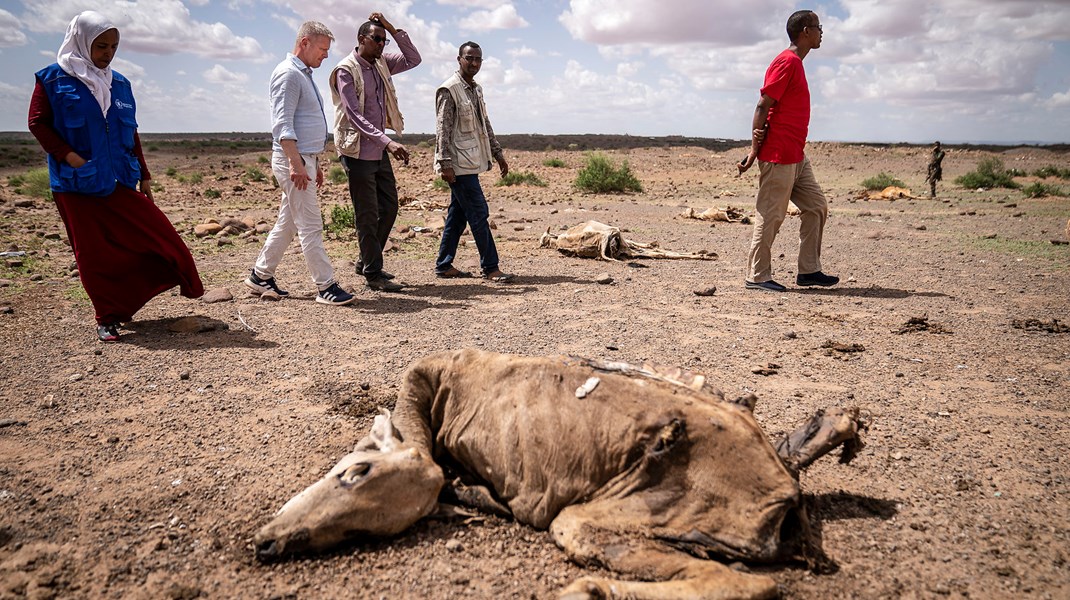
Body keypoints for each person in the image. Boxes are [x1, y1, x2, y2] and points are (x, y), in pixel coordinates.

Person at [28, 11, 204, 343]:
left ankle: (155, 288)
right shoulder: (52, 80)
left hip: (120, 177)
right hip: (76, 183)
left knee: (160, 236)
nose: (108, 53)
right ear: (81, 42)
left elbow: (131, 132)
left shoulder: (120, 83)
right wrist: (70, 156)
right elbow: (37, 122)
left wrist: (145, 175)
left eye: (114, 46)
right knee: (93, 253)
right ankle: (107, 317)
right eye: (101, 46)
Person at [246, 21, 355, 306]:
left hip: (303, 158)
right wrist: (296, 163)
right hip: (293, 160)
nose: (326, 55)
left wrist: (313, 162)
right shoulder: (288, 75)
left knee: (288, 222)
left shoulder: (301, 74)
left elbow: (301, 122)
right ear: (304, 43)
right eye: (322, 49)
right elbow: (282, 124)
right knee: (310, 224)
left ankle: (260, 275)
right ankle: (326, 285)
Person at [738, 10, 838, 292]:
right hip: (778, 154)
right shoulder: (787, 62)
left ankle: (809, 271)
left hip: (796, 154)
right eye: (819, 27)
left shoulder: (797, 63)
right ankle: (757, 276)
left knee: (816, 207)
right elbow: (763, 105)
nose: (821, 32)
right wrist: (755, 150)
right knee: (770, 215)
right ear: (805, 31)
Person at [328, 12, 420, 293]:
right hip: (357, 150)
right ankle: (372, 273)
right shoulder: (346, 70)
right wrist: (388, 142)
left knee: (389, 206)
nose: (382, 44)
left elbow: (413, 59)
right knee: (367, 214)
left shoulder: (381, 63)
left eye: (384, 40)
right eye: (377, 39)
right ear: (361, 39)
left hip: (377, 148)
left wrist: (392, 28)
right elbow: (354, 115)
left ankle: (367, 260)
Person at [433, 42, 515, 283]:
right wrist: (444, 162)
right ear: (459, 59)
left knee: (458, 215)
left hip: (471, 161)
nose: (474, 63)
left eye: (478, 59)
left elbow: (484, 124)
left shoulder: (475, 89)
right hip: (458, 164)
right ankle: (491, 267)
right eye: (469, 58)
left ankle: (444, 264)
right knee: (479, 213)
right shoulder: (449, 89)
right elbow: (442, 129)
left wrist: (498, 153)